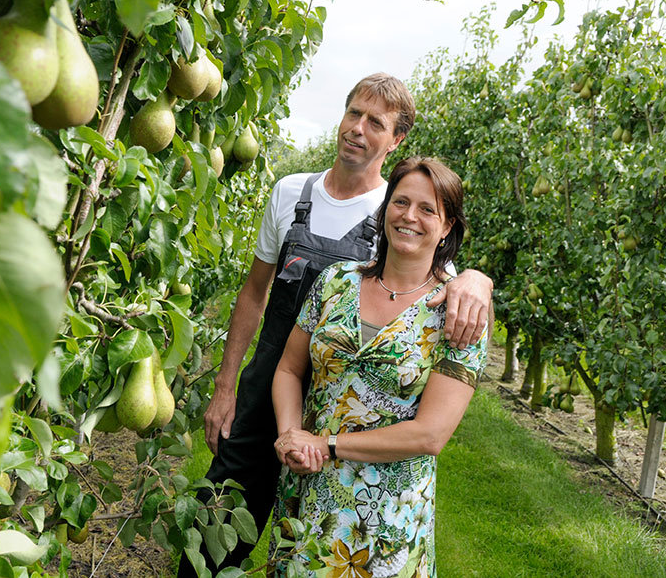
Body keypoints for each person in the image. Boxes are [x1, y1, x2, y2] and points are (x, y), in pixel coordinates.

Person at [176, 73, 492, 576]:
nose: (358, 130)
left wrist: (480, 279)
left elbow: (447, 287)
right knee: (213, 531)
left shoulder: (397, 213)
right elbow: (254, 294)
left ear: (397, 139)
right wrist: (225, 384)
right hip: (269, 393)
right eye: (354, 114)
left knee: (303, 540)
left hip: (337, 418)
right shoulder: (290, 193)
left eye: (376, 123)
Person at [271, 156, 486, 577]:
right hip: (307, 492)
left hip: (386, 519)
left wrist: (326, 444)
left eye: (428, 209)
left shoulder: (459, 314)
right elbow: (288, 370)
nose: (410, 216)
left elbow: (430, 434)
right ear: (385, 209)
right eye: (401, 202)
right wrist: (291, 437)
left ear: (447, 228)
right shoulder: (335, 282)